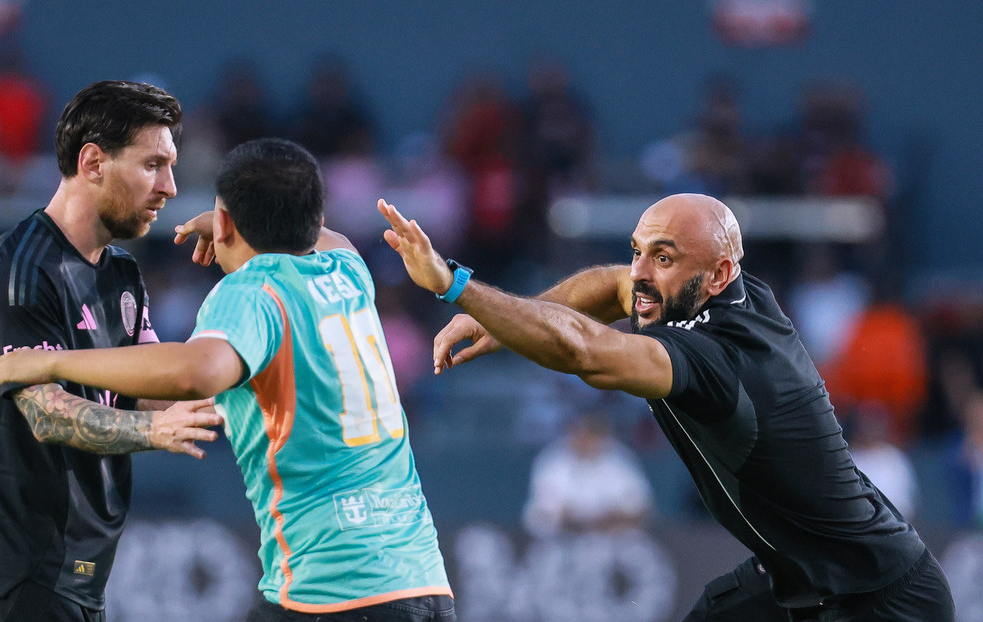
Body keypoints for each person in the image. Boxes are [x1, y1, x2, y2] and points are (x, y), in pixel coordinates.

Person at [377, 192, 954, 621]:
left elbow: (581, 348)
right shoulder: (711, 293)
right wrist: (500, 321)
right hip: (799, 578)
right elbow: (611, 286)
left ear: (718, 274)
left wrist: (459, 286)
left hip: (880, 599)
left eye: (664, 257)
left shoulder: (723, 362)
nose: (641, 273)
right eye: (638, 251)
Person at [0, 138, 455, 621]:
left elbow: (196, 372)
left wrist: (53, 362)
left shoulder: (252, 288)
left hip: (333, 589)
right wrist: (239, 227)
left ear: (225, 223)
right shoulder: (349, 269)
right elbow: (325, 236)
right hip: (424, 580)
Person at [0, 80, 224, 622]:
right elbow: (48, 414)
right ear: (93, 161)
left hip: (73, 581)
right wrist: (153, 433)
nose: (169, 186)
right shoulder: (21, 270)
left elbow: (155, 391)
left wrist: (247, 252)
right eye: (153, 165)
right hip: (12, 580)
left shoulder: (121, 272)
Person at [522, 411, 653, 537]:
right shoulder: (553, 460)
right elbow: (540, 513)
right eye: (581, 433)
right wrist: (577, 519)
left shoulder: (619, 459)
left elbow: (638, 507)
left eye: (593, 434)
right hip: (562, 538)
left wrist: (604, 520)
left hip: (616, 537)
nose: (586, 439)